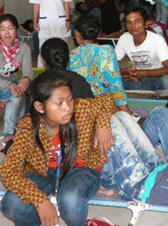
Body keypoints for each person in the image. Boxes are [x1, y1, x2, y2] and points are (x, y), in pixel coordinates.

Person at [0, 69, 114, 226]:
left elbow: (107, 100)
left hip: (81, 169)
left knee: (70, 200)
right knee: (12, 204)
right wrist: (39, 201)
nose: (67, 108)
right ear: (40, 107)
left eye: (70, 100)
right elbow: (8, 170)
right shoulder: (28, 125)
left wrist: (103, 126)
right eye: (59, 103)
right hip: (43, 172)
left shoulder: (81, 109)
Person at [68, 14, 129, 113]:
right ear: (98, 33)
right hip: (104, 110)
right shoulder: (107, 51)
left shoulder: (71, 56)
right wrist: (127, 116)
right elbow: (115, 85)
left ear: (77, 34)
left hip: (81, 112)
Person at [115, 4, 168, 97]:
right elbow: (111, 63)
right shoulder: (124, 39)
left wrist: (145, 73)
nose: (133, 26)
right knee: (111, 79)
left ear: (145, 24)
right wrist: (125, 72)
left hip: (156, 79)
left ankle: (161, 103)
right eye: (128, 22)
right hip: (136, 79)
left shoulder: (157, 39)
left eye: (137, 21)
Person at [0, 14, 33, 146]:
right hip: (5, 85)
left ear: (16, 30)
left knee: (16, 96)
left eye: (10, 28)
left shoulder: (24, 48)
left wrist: (25, 80)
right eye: (2, 29)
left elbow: (28, 71)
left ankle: (8, 134)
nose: (6, 32)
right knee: (14, 91)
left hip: (11, 86)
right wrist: (9, 85)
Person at [30, 0, 72, 68]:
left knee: (62, 48)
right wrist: (35, 21)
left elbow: (66, 2)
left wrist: (67, 20)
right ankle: (42, 73)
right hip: (45, 22)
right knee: (43, 49)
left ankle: (64, 72)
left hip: (61, 22)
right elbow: (36, 4)